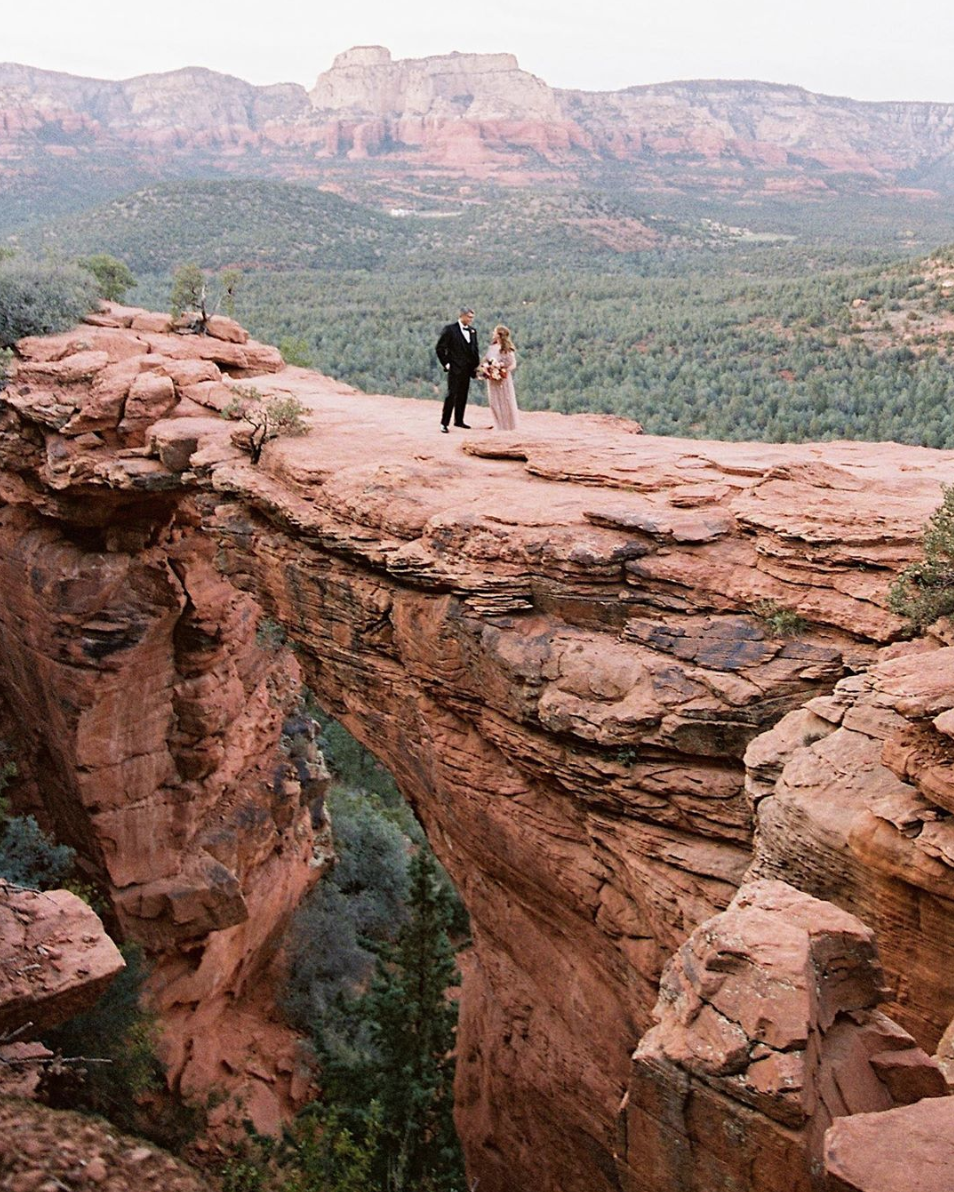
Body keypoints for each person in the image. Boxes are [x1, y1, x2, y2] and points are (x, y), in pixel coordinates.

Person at [436, 307, 480, 433]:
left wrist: (475, 367)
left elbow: (474, 350)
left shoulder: (472, 331)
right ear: (462, 316)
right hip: (454, 368)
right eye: (469, 317)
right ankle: (444, 423)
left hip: (467, 369)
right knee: (451, 395)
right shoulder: (450, 330)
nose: (471, 320)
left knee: (463, 394)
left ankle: (459, 420)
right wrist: (447, 364)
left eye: (472, 317)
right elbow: (440, 348)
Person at [481, 324, 519, 431]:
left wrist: (502, 369)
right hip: (493, 379)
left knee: (506, 400)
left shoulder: (507, 350)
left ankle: (509, 425)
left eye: (495, 332)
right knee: (494, 401)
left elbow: (513, 364)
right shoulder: (491, 348)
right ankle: (498, 424)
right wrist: (486, 368)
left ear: (499, 335)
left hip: (504, 379)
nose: (493, 334)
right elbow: (485, 360)